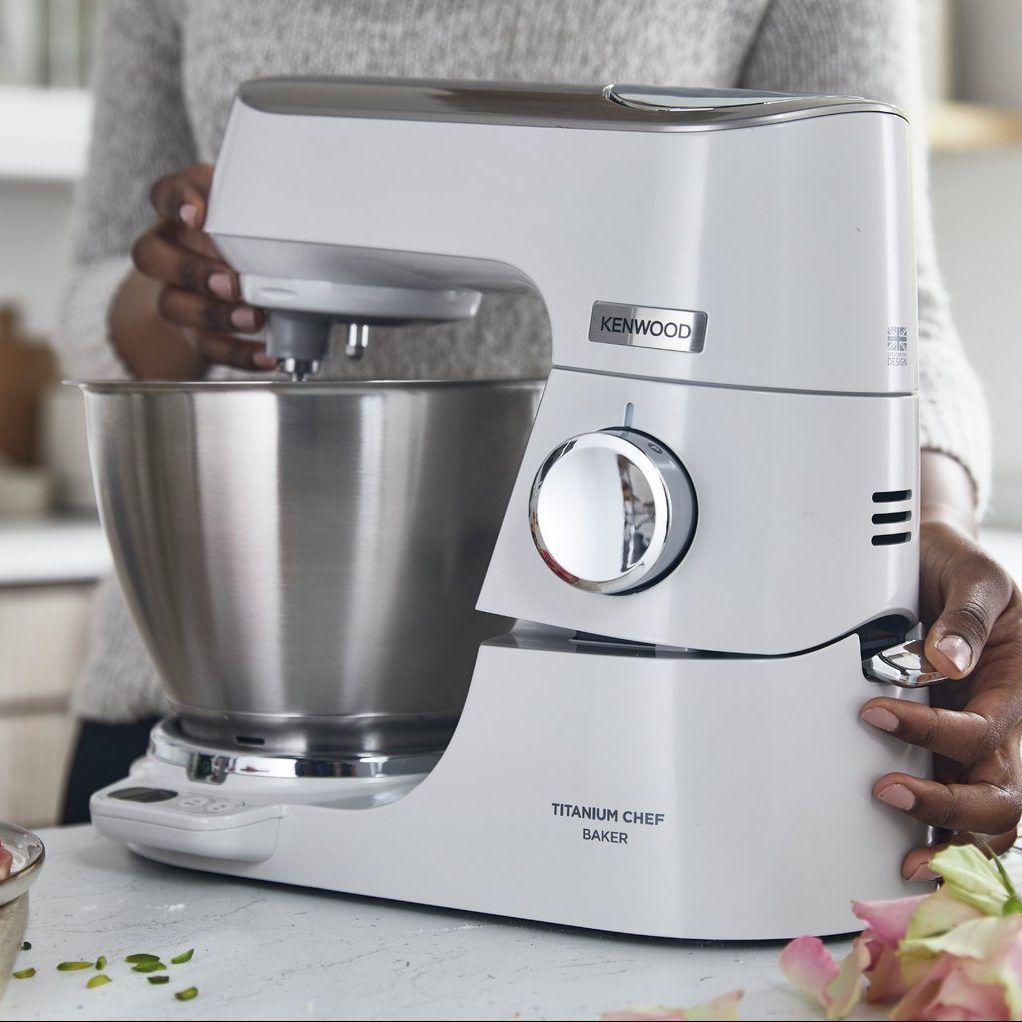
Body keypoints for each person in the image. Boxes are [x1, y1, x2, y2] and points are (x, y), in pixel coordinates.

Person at [56, 0, 1021, 882]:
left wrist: (907, 536)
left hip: (625, 730)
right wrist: (197, 291)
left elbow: (888, 305)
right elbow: (100, 280)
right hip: (192, 712)